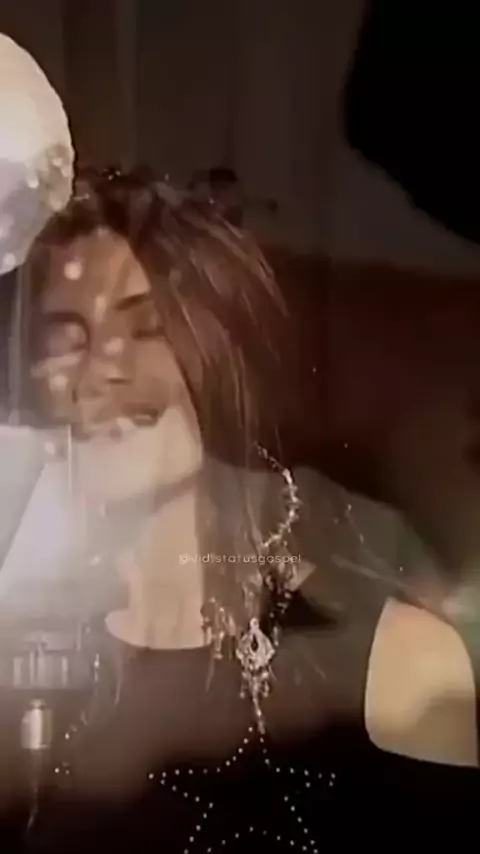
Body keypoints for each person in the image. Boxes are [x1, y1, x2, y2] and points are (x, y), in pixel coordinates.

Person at [1, 167, 478, 850]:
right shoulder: (23, 666)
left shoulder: (389, 666)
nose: (99, 370)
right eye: (66, 337)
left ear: (218, 353)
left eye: (146, 328)